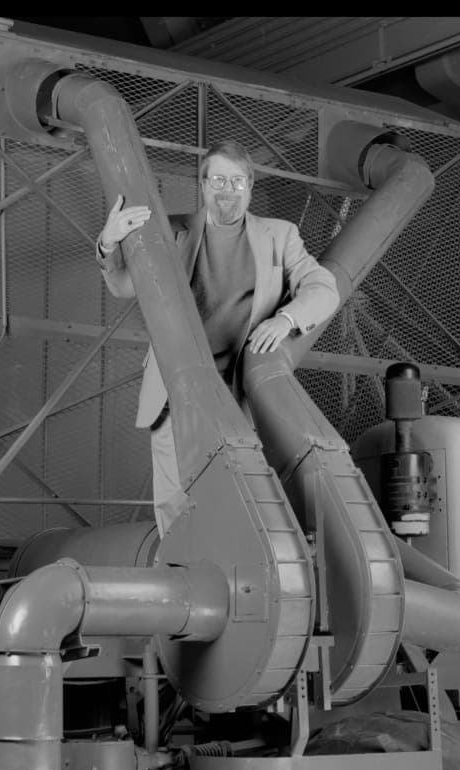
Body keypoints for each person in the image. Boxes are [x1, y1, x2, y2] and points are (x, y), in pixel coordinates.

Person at [96, 140, 339, 536]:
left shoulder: (280, 236)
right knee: (175, 505)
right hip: (174, 392)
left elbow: (323, 288)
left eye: (237, 181)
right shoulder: (169, 231)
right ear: (203, 184)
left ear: (250, 185)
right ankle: (183, 579)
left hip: (241, 395)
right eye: (218, 179)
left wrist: (286, 319)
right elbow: (125, 285)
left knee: (241, 502)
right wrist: (109, 243)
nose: (227, 189)